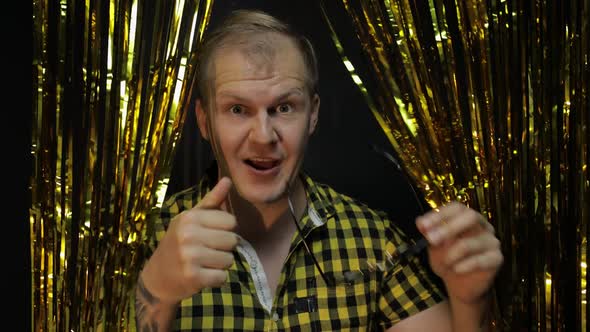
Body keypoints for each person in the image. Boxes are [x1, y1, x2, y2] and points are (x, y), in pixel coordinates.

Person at [135, 9, 503, 331]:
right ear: (203, 121)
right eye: (237, 110)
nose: (264, 136)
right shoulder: (150, 242)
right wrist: (157, 290)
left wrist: (470, 301)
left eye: (283, 108)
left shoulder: (372, 238)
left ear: (312, 115)